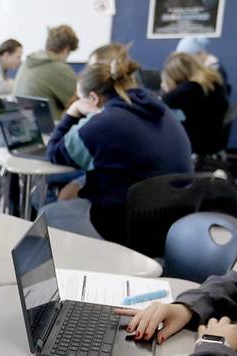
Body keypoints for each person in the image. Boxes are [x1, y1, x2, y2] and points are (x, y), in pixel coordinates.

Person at [42, 57, 192, 244]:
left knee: (46, 214)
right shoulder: (162, 110)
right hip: (170, 224)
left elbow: (54, 152)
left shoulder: (102, 123)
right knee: (77, 186)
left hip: (122, 227)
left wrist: (73, 111)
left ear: (93, 99)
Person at [162, 52, 230, 158]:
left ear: (178, 75)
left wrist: (166, 88)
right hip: (211, 134)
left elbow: (165, 101)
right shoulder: (210, 79)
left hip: (199, 140)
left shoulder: (192, 87)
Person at [14, 25, 79, 120]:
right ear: (66, 49)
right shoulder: (59, 68)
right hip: (50, 127)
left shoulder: (28, 62)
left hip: (25, 123)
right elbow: (80, 100)